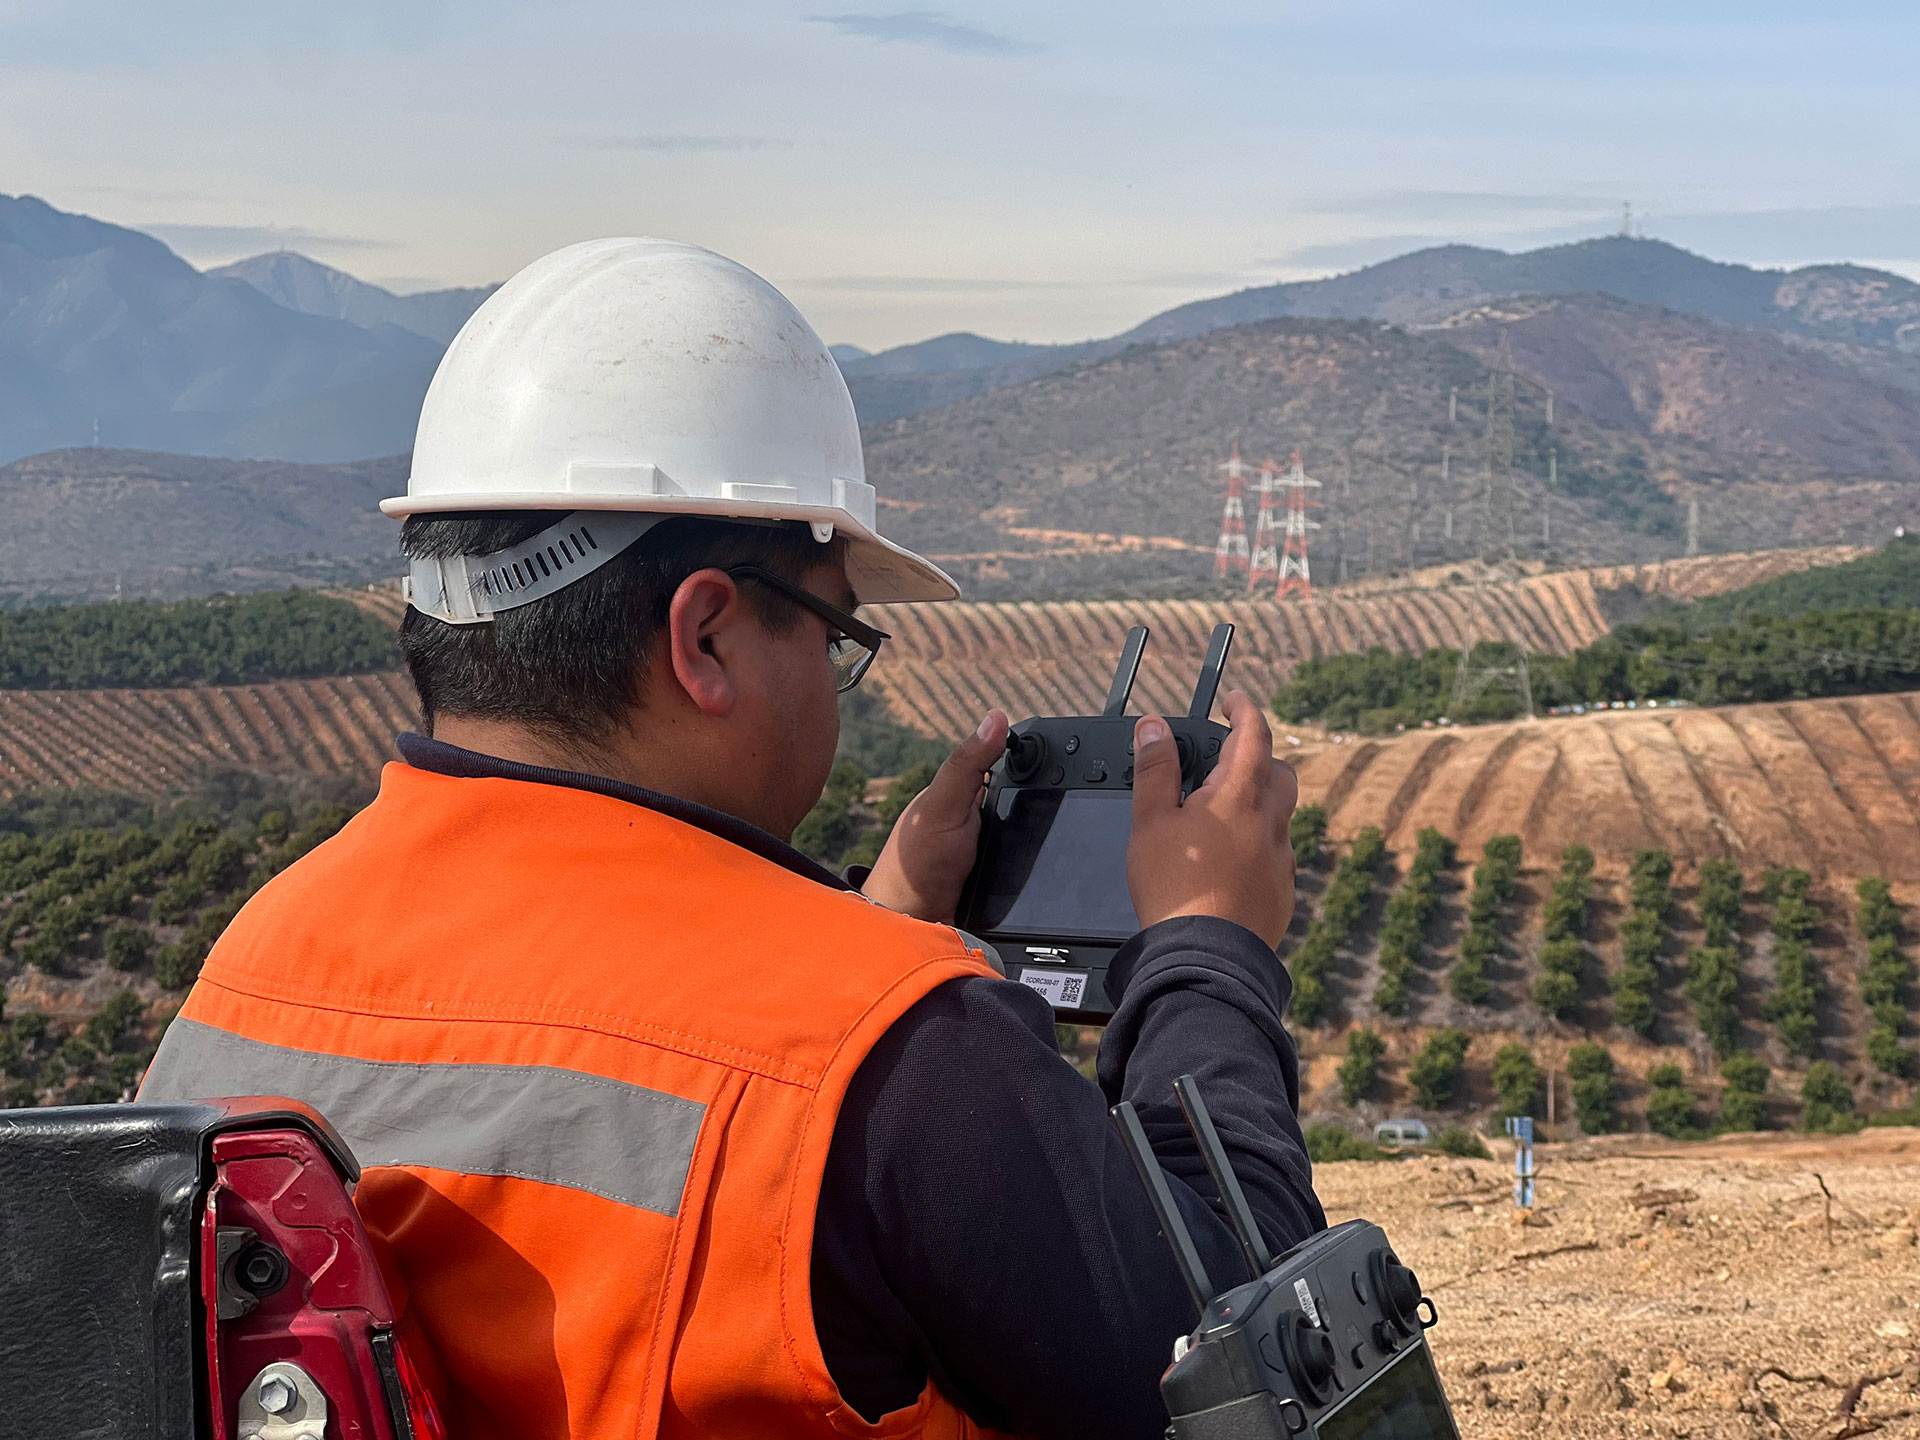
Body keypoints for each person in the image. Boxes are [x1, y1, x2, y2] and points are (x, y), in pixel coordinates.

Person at [141, 238, 1323, 1440]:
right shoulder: (903, 1059)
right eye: (832, 632)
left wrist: (872, 937)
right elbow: (1261, 1370)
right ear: (704, 637)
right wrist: (1209, 953)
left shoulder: (246, 974)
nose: (830, 677)